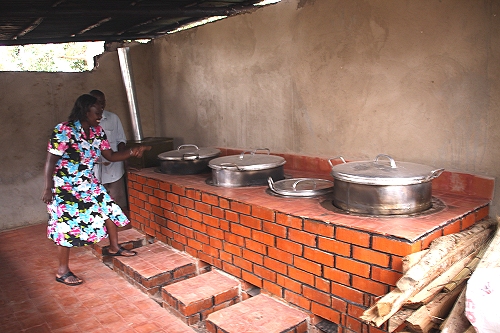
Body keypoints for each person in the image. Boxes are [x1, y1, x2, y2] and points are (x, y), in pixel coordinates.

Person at [41, 94, 150, 286]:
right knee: (65, 226)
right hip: (65, 186)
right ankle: (62, 271)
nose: (100, 115)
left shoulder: (98, 131)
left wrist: (132, 152)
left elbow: (110, 155)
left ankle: (114, 247)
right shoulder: (64, 130)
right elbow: (51, 160)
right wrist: (48, 187)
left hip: (88, 182)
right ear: (85, 110)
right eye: (97, 112)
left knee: (108, 209)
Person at [89, 90, 128, 213]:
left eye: (103, 102)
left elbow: (121, 140)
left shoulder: (113, 118)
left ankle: (109, 222)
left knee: (114, 197)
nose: (101, 105)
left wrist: (123, 158)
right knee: (97, 199)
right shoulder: (85, 123)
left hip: (114, 166)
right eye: (97, 102)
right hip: (94, 168)